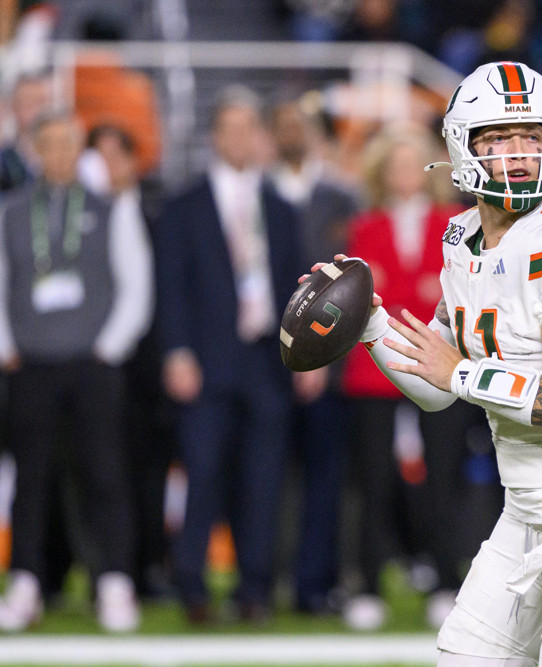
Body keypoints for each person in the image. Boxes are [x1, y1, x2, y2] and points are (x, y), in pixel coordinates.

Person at [304, 61, 542, 666]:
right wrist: (370, 326)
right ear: (461, 145)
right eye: (499, 138)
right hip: (525, 514)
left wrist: (462, 372)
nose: (520, 153)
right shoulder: (460, 237)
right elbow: (436, 390)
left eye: (532, 137)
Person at [156, 85, 324, 625]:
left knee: (264, 477)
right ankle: (192, 586)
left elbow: (300, 286)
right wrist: (176, 350)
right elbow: (171, 287)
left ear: (259, 136)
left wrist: (308, 356)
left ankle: (255, 588)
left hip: (266, 362)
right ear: (214, 136)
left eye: (248, 128)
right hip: (206, 359)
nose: (239, 138)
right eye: (229, 128)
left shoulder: (277, 206)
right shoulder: (184, 205)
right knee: (202, 472)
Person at [0, 109, 153, 632]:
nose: (60, 154)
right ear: (36, 150)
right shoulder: (13, 209)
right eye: (49, 145)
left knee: (104, 473)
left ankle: (113, 581)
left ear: (79, 150)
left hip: (93, 363)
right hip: (32, 363)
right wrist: (6, 346)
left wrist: (109, 347)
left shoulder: (112, 208)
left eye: (68, 144)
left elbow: (135, 283)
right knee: (32, 476)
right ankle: (25, 583)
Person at [337, 123, 466, 631]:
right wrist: (414, 288)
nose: (406, 175)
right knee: (372, 483)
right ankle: (368, 586)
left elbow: (442, 293)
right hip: (373, 372)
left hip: (439, 364)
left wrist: (407, 289)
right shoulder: (365, 225)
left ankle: (445, 582)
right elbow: (367, 297)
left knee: (444, 478)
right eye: (397, 166)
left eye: (414, 165)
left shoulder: (454, 223)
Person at [268, 99, 358, 615]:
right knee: (266, 474)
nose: (292, 133)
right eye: (283, 124)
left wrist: (321, 359)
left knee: (326, 478)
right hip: (264, 361)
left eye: (299, 125)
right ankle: (262, 577)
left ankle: (316, 583)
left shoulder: (342, 197)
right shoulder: (258, 193)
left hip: (330, 359)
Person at [86, 123, 174, 600]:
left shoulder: (158, 210)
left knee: (149, 466)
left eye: (115, 156)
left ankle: (149, 565)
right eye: (97, 157)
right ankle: (97, 568)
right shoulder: (79, 213)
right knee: (96, 467)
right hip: (91, 361)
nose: (107, 167)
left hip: (150, 363)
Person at [0, 71, 51, 196]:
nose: (36, 110)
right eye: (27, 102)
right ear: (13, 106)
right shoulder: (5, 156)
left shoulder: (63, 155)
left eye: (40, 102)